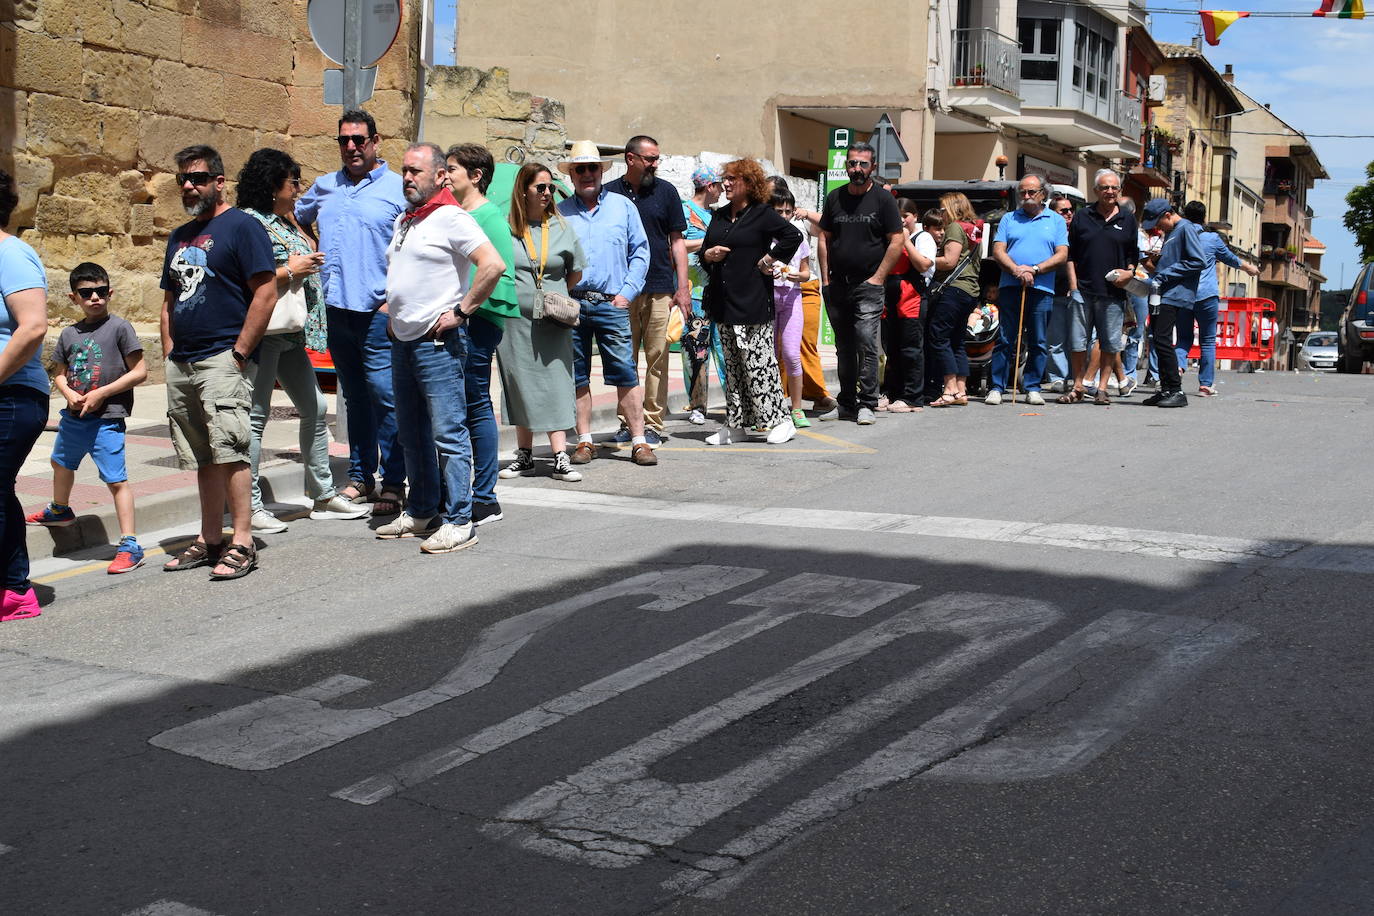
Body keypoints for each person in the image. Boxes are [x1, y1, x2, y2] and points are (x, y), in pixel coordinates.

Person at [376, 142, 506, 552]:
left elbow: (493, 265)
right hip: (404, 341)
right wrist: (395, 316)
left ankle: (460, 519)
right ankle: (421, 511)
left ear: (439, 176)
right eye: (404, 171)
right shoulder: (406, 221)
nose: (408, 177)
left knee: (449, 433)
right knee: (411, 434)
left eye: (415, 171)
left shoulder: (451, 217)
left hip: (439, 343)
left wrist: (462, 312)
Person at [159, 144, 278, 580]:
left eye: (199, 178)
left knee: (232, 450)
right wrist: (170, 350)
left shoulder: (242, 227)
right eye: (184, 180)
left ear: (219, 182)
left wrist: (240, 353)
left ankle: (242, 540)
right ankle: (210, 538)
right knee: (201, 456)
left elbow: (265, 291)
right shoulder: (180, 235)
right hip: (184, 361)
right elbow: (170, 299)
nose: (190, 186)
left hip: (223, 357)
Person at [235, 148, 367, 534]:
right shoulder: (250, 223)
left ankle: (322, 494)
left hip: (291, 332)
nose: (298, 189)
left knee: (314, 405)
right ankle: (252, 505)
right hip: (266, 333)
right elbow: (245, 278)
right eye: (292, 182)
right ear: (274, 184)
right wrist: (290, 269)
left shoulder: (284, 221)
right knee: (255, 419)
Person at [295, 109, 407, 516]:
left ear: (376, 142)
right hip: (336, 308)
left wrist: (393, 299)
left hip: (378, 311)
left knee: (386, 398)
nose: (352, 147)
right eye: (344, 140)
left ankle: (396, 481)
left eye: (359, 139)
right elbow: (296, 215)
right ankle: (362, 476)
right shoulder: (325, 187)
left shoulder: (398, 188)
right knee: (355, 400)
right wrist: (308, 248)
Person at [26, 262, 149, 574]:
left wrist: (101, 393)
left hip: (107, 418)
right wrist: (68, 393)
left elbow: (139, 371)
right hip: (74, 416)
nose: (95, 297)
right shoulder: (69, 334)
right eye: (86, 293)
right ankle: (60, 509)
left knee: (115, 479)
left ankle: (130, 544)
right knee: (60, 462)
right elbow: (60, 374)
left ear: (110, 292)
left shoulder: (120, 328)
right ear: (73, 298)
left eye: (101, 291)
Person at [556, 140, 657, 468]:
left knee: (625, 371)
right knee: (577, 374)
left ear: (602, 171)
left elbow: (641, 251)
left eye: (592, 168)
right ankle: (584, 441)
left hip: (611, 303)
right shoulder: (560, 213)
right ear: (571, 175)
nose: (587, 174)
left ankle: (639, 440)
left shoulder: (622, 207)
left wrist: (627, 292)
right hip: (572, 305)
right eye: (580, 169)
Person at [699, 158, 803, 445]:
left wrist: (770, 258)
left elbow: (791, 235)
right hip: (723, 302)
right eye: (726, 178)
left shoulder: (762, 214)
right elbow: (705, 251)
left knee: (759, 364)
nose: (727, 183)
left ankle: (780, 421)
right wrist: (709, 256)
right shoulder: (719, 215)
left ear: (750, 183)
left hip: (753, 302)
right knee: (733, 367)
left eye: (734, 178)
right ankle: (736, 424)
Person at [445, 143, 521, 526]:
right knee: (458, 404)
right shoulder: (453, 214)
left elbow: (499, 273)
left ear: (476, 176)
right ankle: (458, 491)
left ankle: (485, 497)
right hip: (458, 320)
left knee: (474, 403)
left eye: (453, 168)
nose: (446, 174)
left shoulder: (488, 217)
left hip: (476, 322)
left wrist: (466, 311)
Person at [497, 163, 587, 483]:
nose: (548, 193)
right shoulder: (506, 228)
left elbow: (575, 272)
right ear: (524, 190)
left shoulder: (562, 227)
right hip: (516, 323)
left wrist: (555, 297)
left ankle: (560, 455)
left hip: (553, 321)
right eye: (541, 188)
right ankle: (524, 456)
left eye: (550, 187)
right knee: (520, 384)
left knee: (557, 383)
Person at [604, 135, 689, 445]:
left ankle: (652, 423)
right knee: (622, 360)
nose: (655, 164)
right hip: (621, 290)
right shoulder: (609, 194)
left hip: (658, 288)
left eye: (657, 159)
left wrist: (682, 287)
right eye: (650, 158)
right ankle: (627, 422)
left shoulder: (666, 192)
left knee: (657, 358)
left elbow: (677, 241)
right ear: (630, 159)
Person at [819, 142, 903, 424]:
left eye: (863, 164)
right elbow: (824, 237)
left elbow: (897, 241)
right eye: (853, 163)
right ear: (846, 166)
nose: (857, 169)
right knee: (843, 346)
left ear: (873, 168)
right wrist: (826, 278)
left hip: (868, 286)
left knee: (866, 343)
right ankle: (845, 402)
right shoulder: (834, 198)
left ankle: (867, 402)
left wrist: (878, 277)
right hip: (838, 285)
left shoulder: (883, 200)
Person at [1, 168, 53, 620]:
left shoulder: (11, 253)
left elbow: (33, 326)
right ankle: (15, 590)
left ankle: (15, 589)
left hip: (13, 394)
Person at [986, 173, 1068, 406]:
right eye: (1022, 192)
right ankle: (997, 387)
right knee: (1005, 338)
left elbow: (1062, 254)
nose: (1026, 196)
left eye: (1031, 192)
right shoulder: (1009, 218)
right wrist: (1016, 270)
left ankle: (1032, 386)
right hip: (1011, 284)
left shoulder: (1055, 220)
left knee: (1038, 340)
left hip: (1042, 287)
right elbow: (999, 250)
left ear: (1043, 194)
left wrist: (1034, 269)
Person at [1065, 168, 1138, 406]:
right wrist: (1074, 287)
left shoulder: (1127, 219)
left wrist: (1129, 272)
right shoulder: (1082, 216)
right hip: (1083, 290)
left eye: (1114, 188)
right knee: (1077, 342)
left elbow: (1132, 255)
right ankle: (1078, 386)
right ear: (1096, 191)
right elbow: (1070, 255)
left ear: (1119, 191)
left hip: (1113, 293)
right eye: (1105, 188)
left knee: (1109, 343)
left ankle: (1103, 388)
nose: (1109, 192)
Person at [1176, 202, 1259, 396]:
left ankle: (1179, 367)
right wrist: (1249, 268)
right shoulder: (1212, 239)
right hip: (1206, 296)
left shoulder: (1178, 236)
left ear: (1185, 217)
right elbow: (1230, 258)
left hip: (1183, 295)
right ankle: (1205, 385)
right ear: (1204, 218)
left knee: (1183, 338)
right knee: (1207, 340)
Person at [1138, 197, 1205, 408]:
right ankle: (1165, 389)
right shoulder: (1171, 232)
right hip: (1162, 292)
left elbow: (1198, 260)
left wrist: (1165, 274)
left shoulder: (1186, 229)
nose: (1157, 228)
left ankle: (1176, 390)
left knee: (1163, 340)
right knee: (1157, 340)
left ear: (1168, 214)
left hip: (1174, 294)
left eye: (1158, 223)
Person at [925, 194, 984, 408]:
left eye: (942, 209)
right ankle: (961, 389)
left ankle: (949, 389)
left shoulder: (954, 228)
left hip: (953, 289)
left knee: (938, 336)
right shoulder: (974, 229)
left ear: (952, 208)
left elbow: (949, 261)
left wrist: (926, 260)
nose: (940, 214)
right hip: (970, 291)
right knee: (957, 340)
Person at [680, 165, 727, 424]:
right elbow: (678, 244)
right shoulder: (686, 211)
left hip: (718, 291)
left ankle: (734, 401)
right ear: (709, 186)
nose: (722, 191)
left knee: (723, 348)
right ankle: (697, 404)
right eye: (719, 186)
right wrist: (708, 242)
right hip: (695, 292)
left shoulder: (716, 214)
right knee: (696, 350)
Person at [782, 195, 837, 415]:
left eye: (787, 209)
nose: (783, 214)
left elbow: (829, 224)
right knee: (780, 346)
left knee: (805, 342)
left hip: (806, 287)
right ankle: (778, 396)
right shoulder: (764, 222)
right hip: (777, 289)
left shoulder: (800, 221)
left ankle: (818, 395)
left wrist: (806, 213)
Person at [882, 199, 936, 412]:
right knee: (892, 348)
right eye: (898, 216)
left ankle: (913, 397)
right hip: (892, 296)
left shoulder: (923, 238)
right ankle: (893, 392)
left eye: (906, 215)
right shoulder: (890, 236)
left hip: (912, 297)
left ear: (915, 216)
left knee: (911, 348)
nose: (902, 220)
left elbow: (923, 265)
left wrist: (905, 241)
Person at [768, 186, 812, 427]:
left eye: (787, 211)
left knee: (792, 355)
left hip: (792, 298)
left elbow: (806, 273)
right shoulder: (763, 236)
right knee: (769, 356)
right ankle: (770, 407)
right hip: (767, 299)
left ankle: (796, 408)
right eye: (778, 211)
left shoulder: (798, 235)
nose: (783, 216)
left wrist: (797, 276)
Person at [1042, 193, 1078, 394]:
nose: (1069, 213)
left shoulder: (1077, 232)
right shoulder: (1049, 232)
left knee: (1077, 339)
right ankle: (1057, 378)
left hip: (1077, 293)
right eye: (1064, 210)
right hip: (1054, 292)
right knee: (1055, 340)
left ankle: (1075, 377)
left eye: (1071, 209)